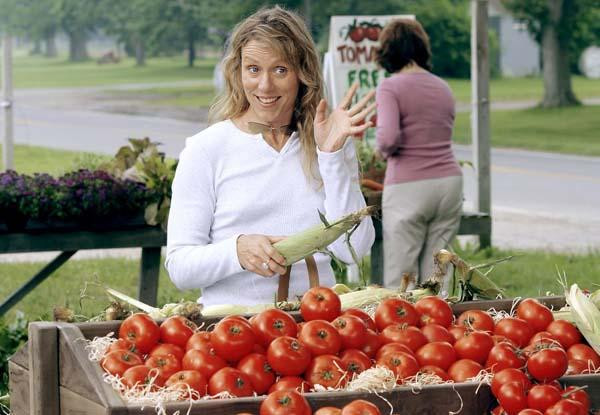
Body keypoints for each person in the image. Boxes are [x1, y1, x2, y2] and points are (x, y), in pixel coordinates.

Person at [165, 7, 376, 306]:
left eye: (280, 70)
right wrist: (236, 251)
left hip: (317, 327)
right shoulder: (206, 150)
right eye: (253, 69)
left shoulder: (327, 142)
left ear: (302, 74)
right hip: (233, 331)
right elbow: (180, 267)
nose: (264, 86)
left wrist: (332, 157)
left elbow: (354, 250)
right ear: (237, 72)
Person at [374, 18, 463, 288]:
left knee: (402, 278)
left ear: (388, 51)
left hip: (408, 188)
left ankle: (400, 329)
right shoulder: (443, 87)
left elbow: (389, 138)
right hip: (448, 184)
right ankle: (439, 327)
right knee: (437, 276)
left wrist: (380, 150)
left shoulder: (390, 87)